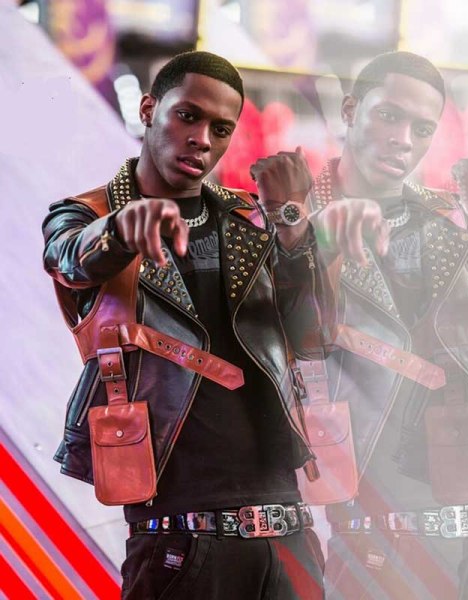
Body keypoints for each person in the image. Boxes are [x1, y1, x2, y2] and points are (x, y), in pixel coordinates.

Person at [43, 50, 333, 599]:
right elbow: (67, 259)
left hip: (288, 532)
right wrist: (121, 229)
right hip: (179, 542)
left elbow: (314, 337)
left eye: (221, 129)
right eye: (188, 116)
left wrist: (293, 224)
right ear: (148, 110)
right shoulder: (86, 213)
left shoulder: (253, 217)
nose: (202, 139)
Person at [298, 51, 468, 599]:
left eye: (422, 128)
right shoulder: (293, 218)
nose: (403, 139)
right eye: (389, 116)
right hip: (376, 518)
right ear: (351, 111)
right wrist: (317, 239)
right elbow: (289, 341)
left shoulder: (454, 217)